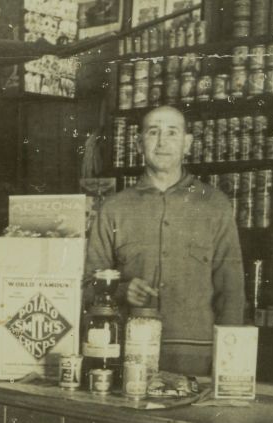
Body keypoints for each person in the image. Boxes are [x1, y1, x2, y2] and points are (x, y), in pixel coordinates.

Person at [86, 105, 245, 375]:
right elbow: (86, 285)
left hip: (198, 356)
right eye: (153, 132)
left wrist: (229, 360)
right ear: (138, 143)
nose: (162, 142)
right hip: (127, 353)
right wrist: (121, 290)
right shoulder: (114, 209)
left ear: (187, 143)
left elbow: (231, 291)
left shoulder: (214, 205)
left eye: (172, 133)